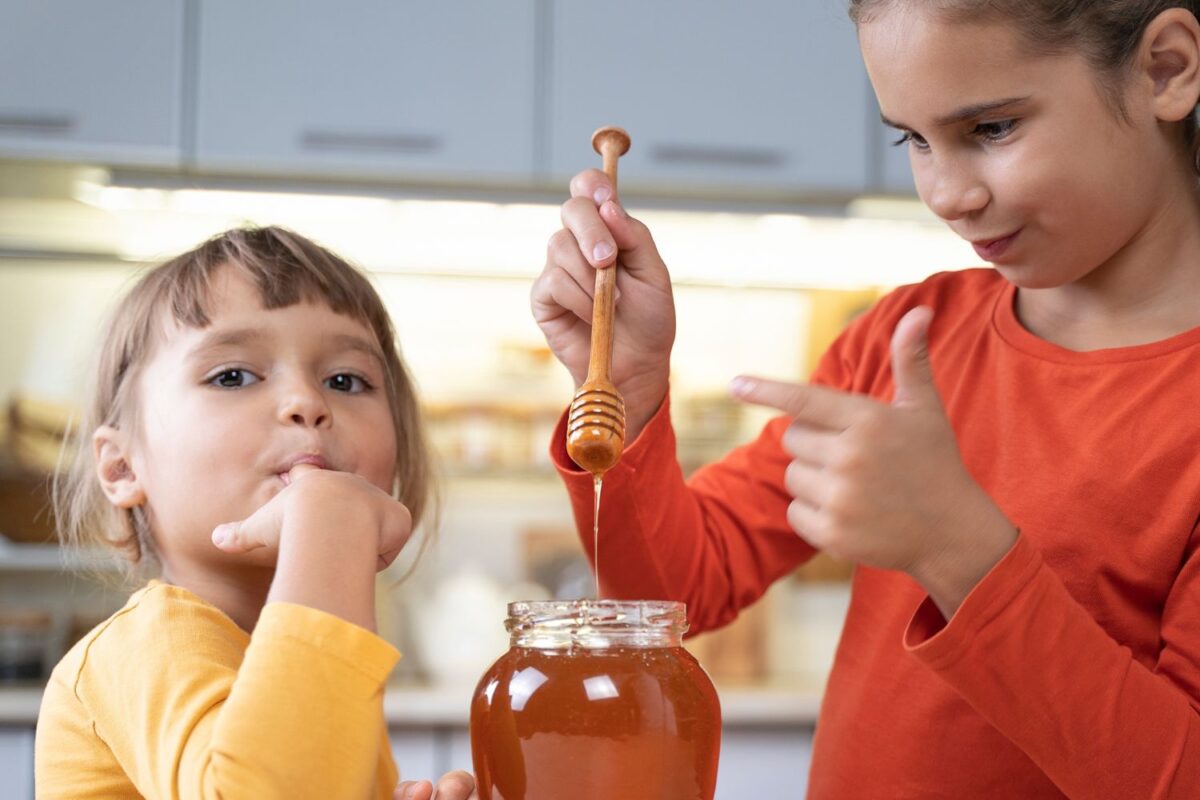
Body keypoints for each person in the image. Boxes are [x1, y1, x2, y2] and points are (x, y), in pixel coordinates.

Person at [533, 1, 1200, 797]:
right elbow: (676, 593)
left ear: (1166, 68)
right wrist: (631, 387)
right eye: (912, 139)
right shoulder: (907, 334)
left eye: (991, 129)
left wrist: (958, 550)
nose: (947, 194)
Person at [36, 226, 477, 800]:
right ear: (122, 468)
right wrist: (329, 523)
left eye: (346, 380)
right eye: (233, 376)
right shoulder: (146, 647)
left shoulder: (315, 664)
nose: (307, 403)